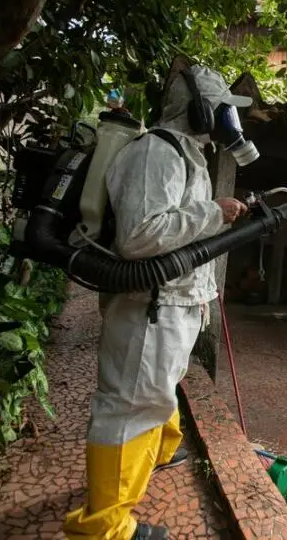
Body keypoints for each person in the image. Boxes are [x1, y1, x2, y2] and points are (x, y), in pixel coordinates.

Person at [63, 64, 250, 540]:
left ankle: (162, 451)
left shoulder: (187, 155)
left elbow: (180, 232)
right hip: (151, 308)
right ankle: (104, 529)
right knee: (129, 409)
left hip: (172, 305)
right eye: (225, 108)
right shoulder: (157, 152)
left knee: (157, 392)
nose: (232, 119)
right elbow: (141, 237)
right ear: (202, 109)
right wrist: (215, 212)